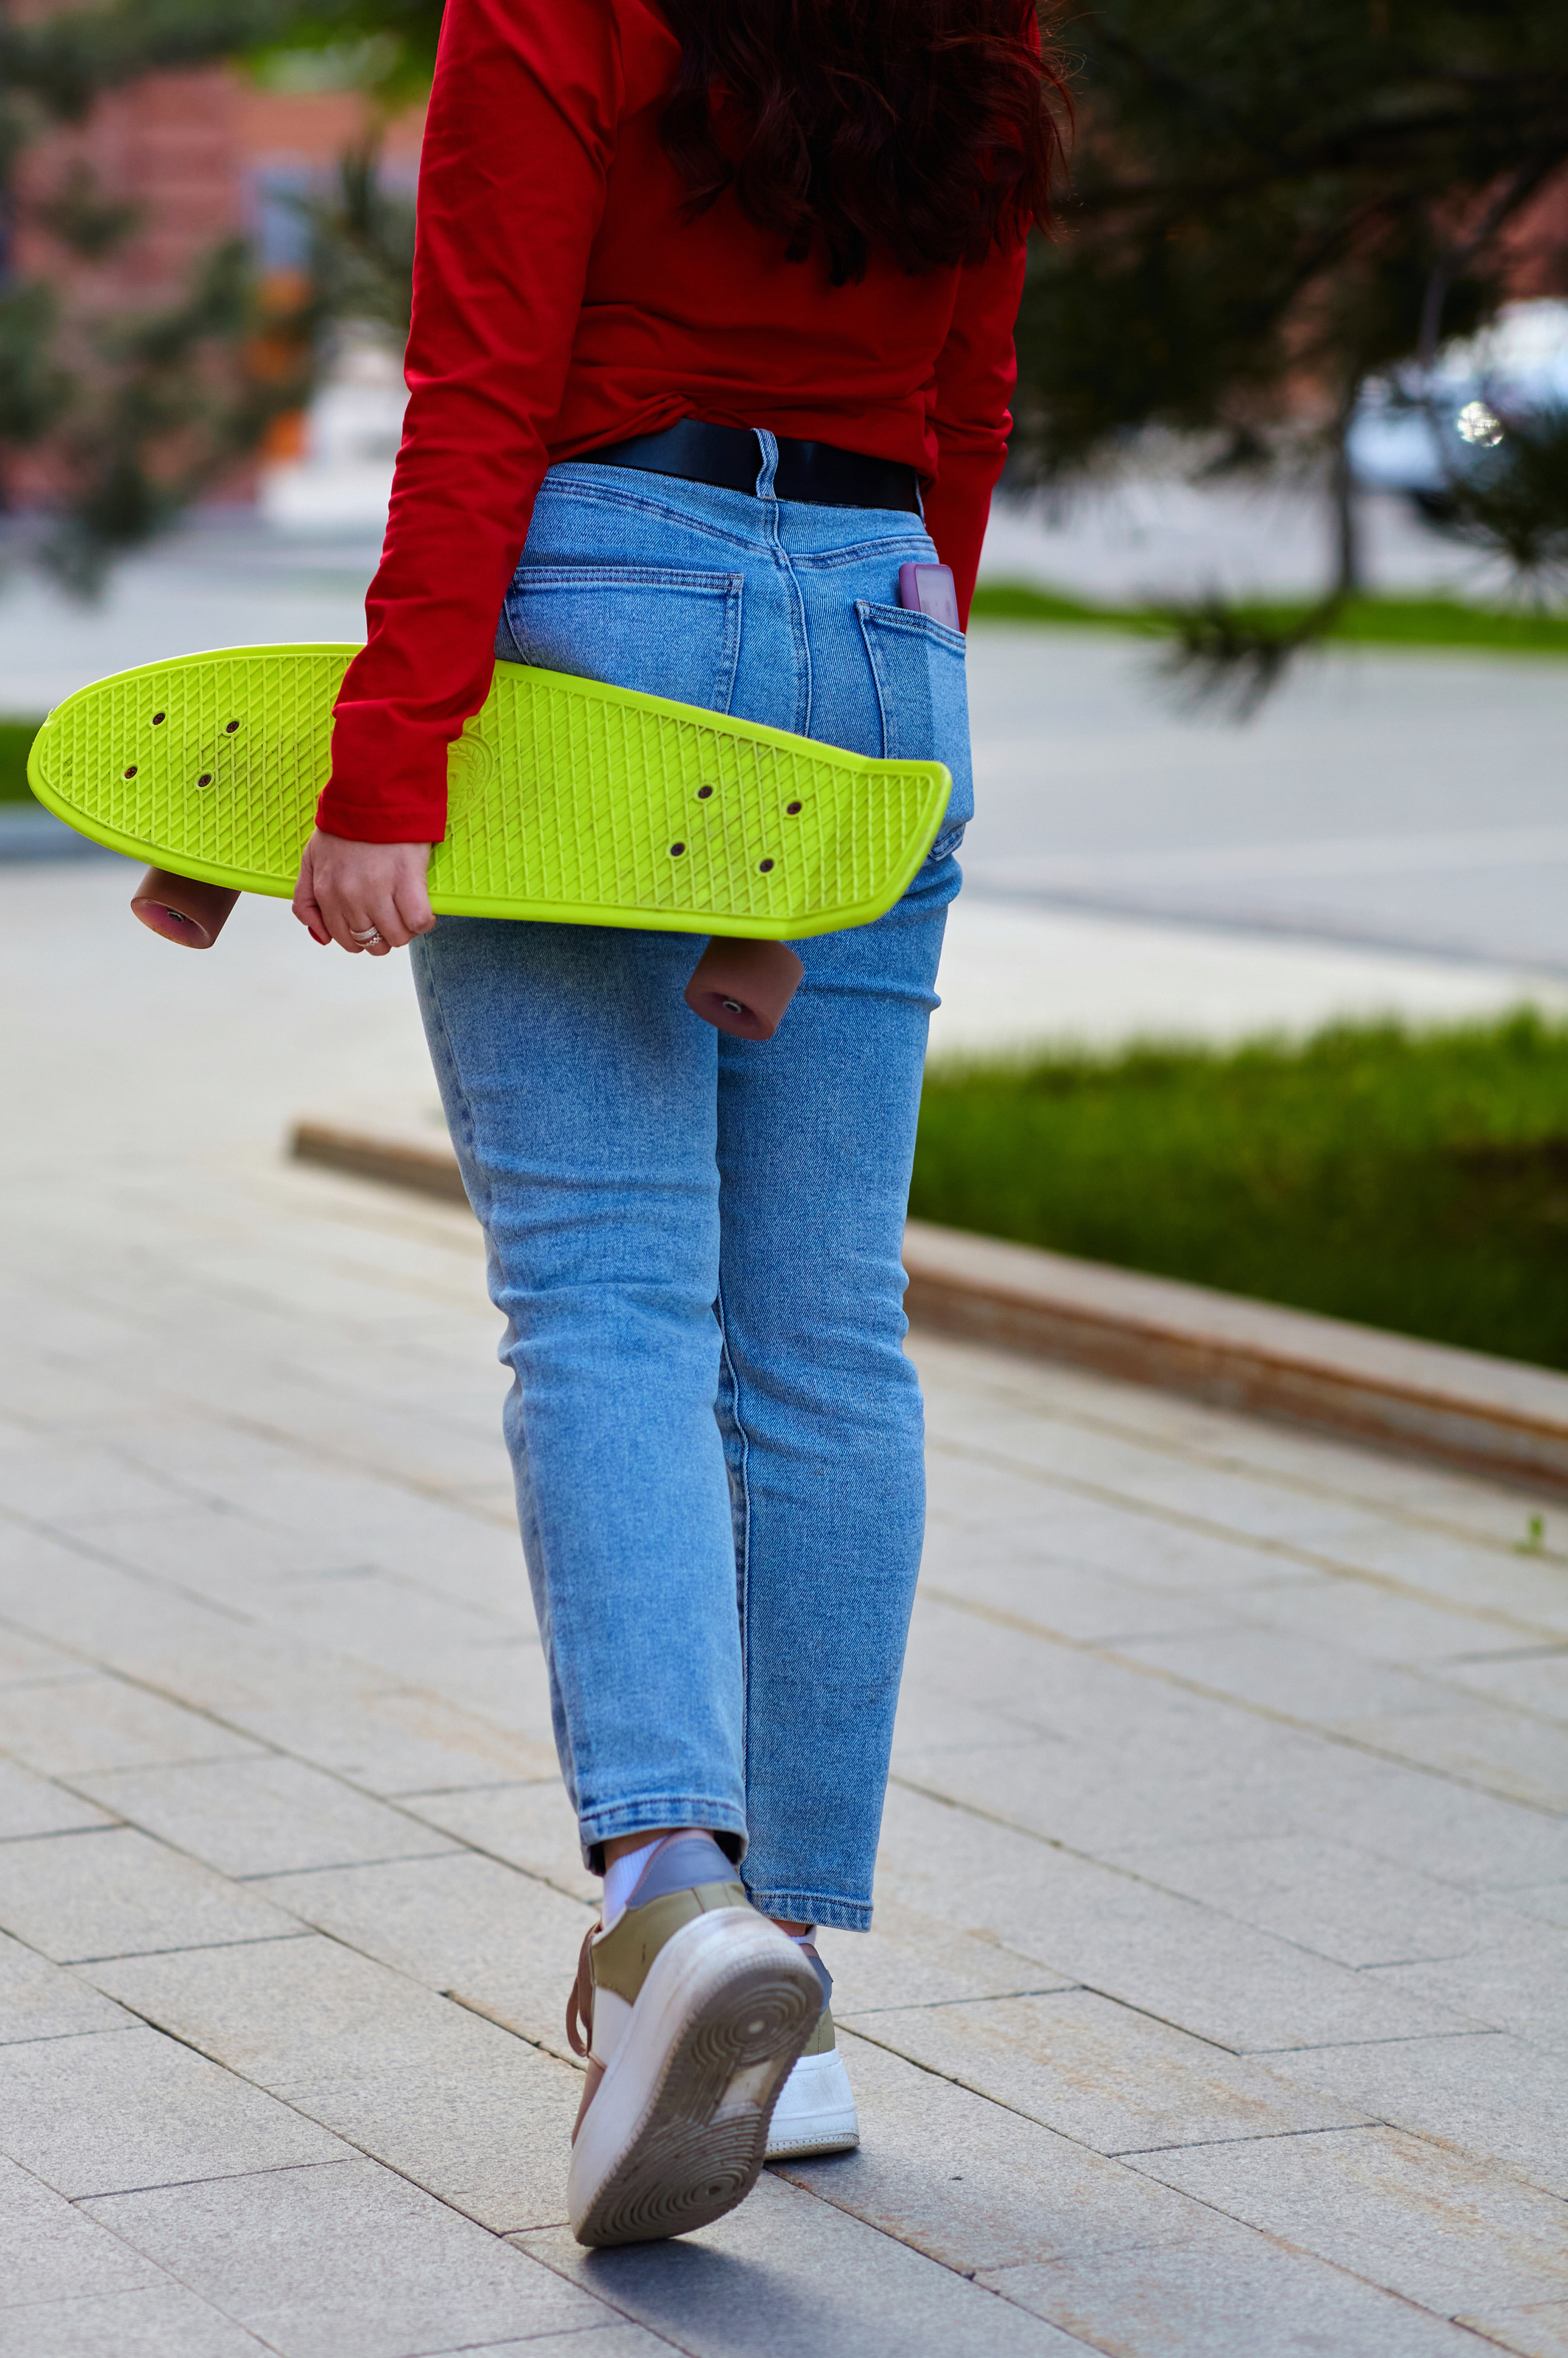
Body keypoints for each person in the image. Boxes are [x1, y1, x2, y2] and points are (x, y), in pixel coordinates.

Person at [292, 0, 1061, 2249]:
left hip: (602, 622)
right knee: (823, 1328)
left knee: (611, 1292)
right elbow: (969, 407)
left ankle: (664, 1900)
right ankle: (790, 2002)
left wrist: (388, 761)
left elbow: (486, 385)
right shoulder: (980, 16)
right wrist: (851, 775)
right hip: (884, 630)